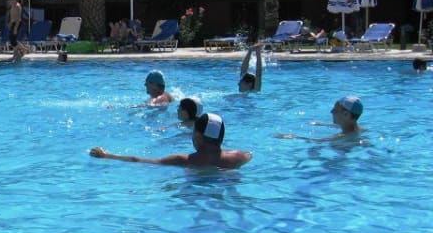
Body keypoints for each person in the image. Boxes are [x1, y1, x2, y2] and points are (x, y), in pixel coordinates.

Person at [90, 112, 252, 169]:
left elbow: (139, 160)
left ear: (197, 137)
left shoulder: (183, 160)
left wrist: (107, 155)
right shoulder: (239, 157)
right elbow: (250, 155)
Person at [277, 95, 365, 141]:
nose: (331, 112)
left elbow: (317, 141)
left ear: (346, 114)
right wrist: (322, 124)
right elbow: (345, 125)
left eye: (335, 110)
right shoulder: (361, 129)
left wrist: (293, 136)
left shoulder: (341, 136)